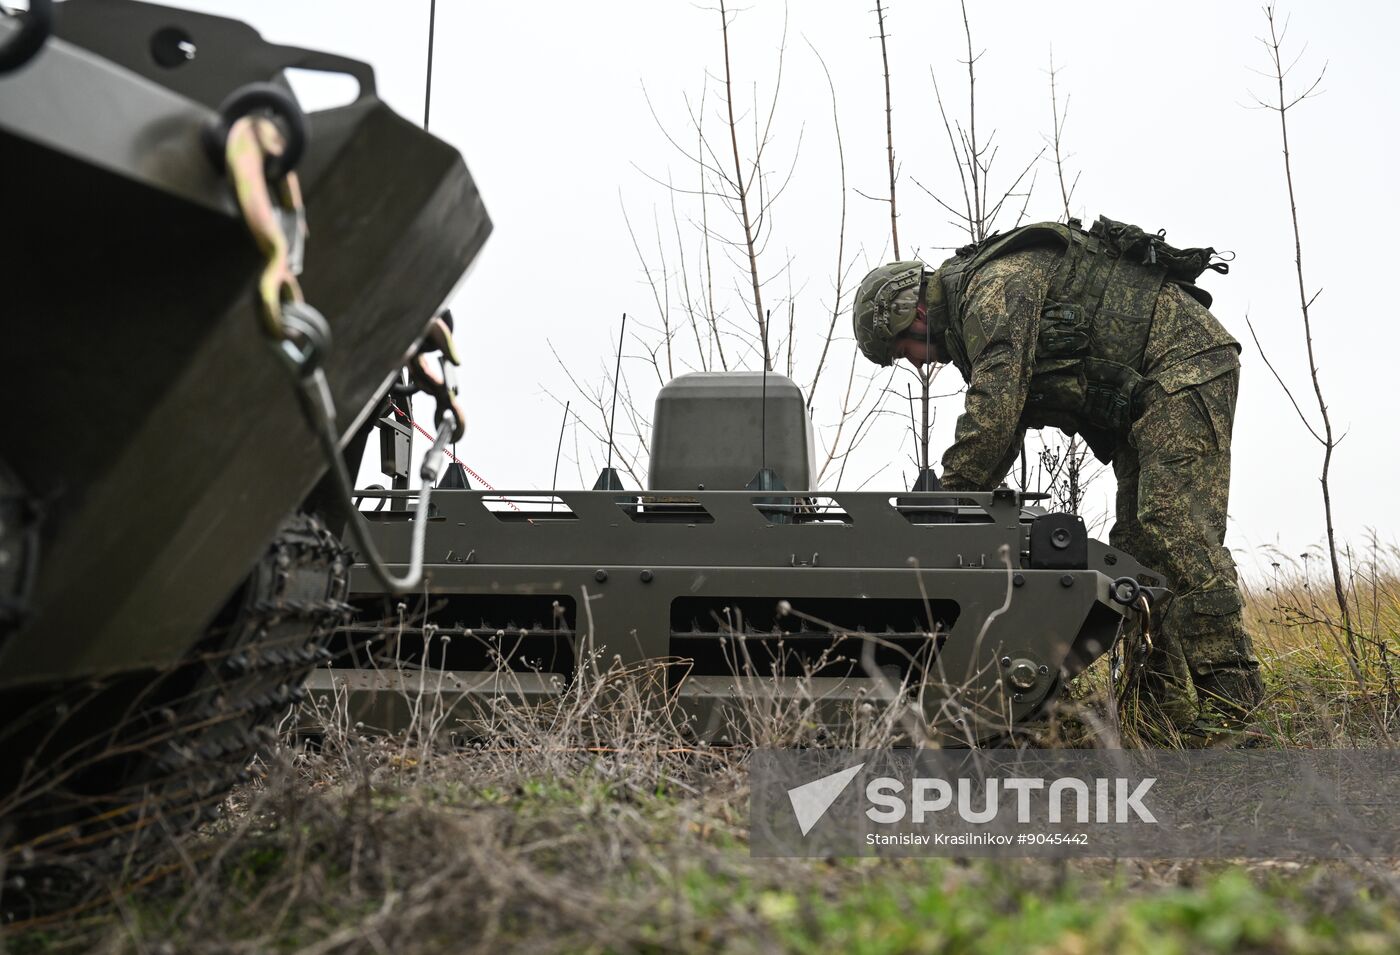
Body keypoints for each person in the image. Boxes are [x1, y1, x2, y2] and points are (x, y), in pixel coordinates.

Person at [853, 217, 1264, 742]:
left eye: (899, 351)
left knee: (1175, 530)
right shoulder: (973, 311)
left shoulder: (993, 290)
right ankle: (1165, 715)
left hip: (1182, 365)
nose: (913, 362)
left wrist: (944, 504)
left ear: (911, 315)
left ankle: (1236, 708)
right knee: (1138, 552)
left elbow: (995, 410)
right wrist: (959, 508)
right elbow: (1004, 428)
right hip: (1144, 395)